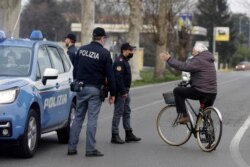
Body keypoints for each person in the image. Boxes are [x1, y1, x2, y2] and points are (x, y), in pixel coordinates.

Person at [68, 27, 116, 157]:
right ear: (102, 38)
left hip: (81, 88)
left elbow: (75, 69)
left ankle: (71, 147)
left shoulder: (81, 50)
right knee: (92, 119)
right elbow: (110, 76)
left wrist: (77, 82)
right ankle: (90, 149)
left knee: (78, 118)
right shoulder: (105, 53)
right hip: (95, 89)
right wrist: (113, 94)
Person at [160, 42, 217, 124]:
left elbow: (183, 66)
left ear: (198, 52)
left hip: (201, 92)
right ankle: (209, 133)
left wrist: (169, 59)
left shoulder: (198, 59)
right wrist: (189, 82)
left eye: (193, 52)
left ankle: (185, 116)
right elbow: (202, 77)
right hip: (212, 92)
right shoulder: (209, 60)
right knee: (205, 115)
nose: (192, 54)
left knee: (177, 91)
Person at [111, 43, 141, 144]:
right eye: (130, 50)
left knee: (127, 112)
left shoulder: (125, 61)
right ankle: (114, 135)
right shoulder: (119, 61)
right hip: (121, 92)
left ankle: (128, 134)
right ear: (124, 51)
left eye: (132, 50)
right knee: (118, 113)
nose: (132, 52)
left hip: (125, 91)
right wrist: (123, 92)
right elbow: (118, 78)